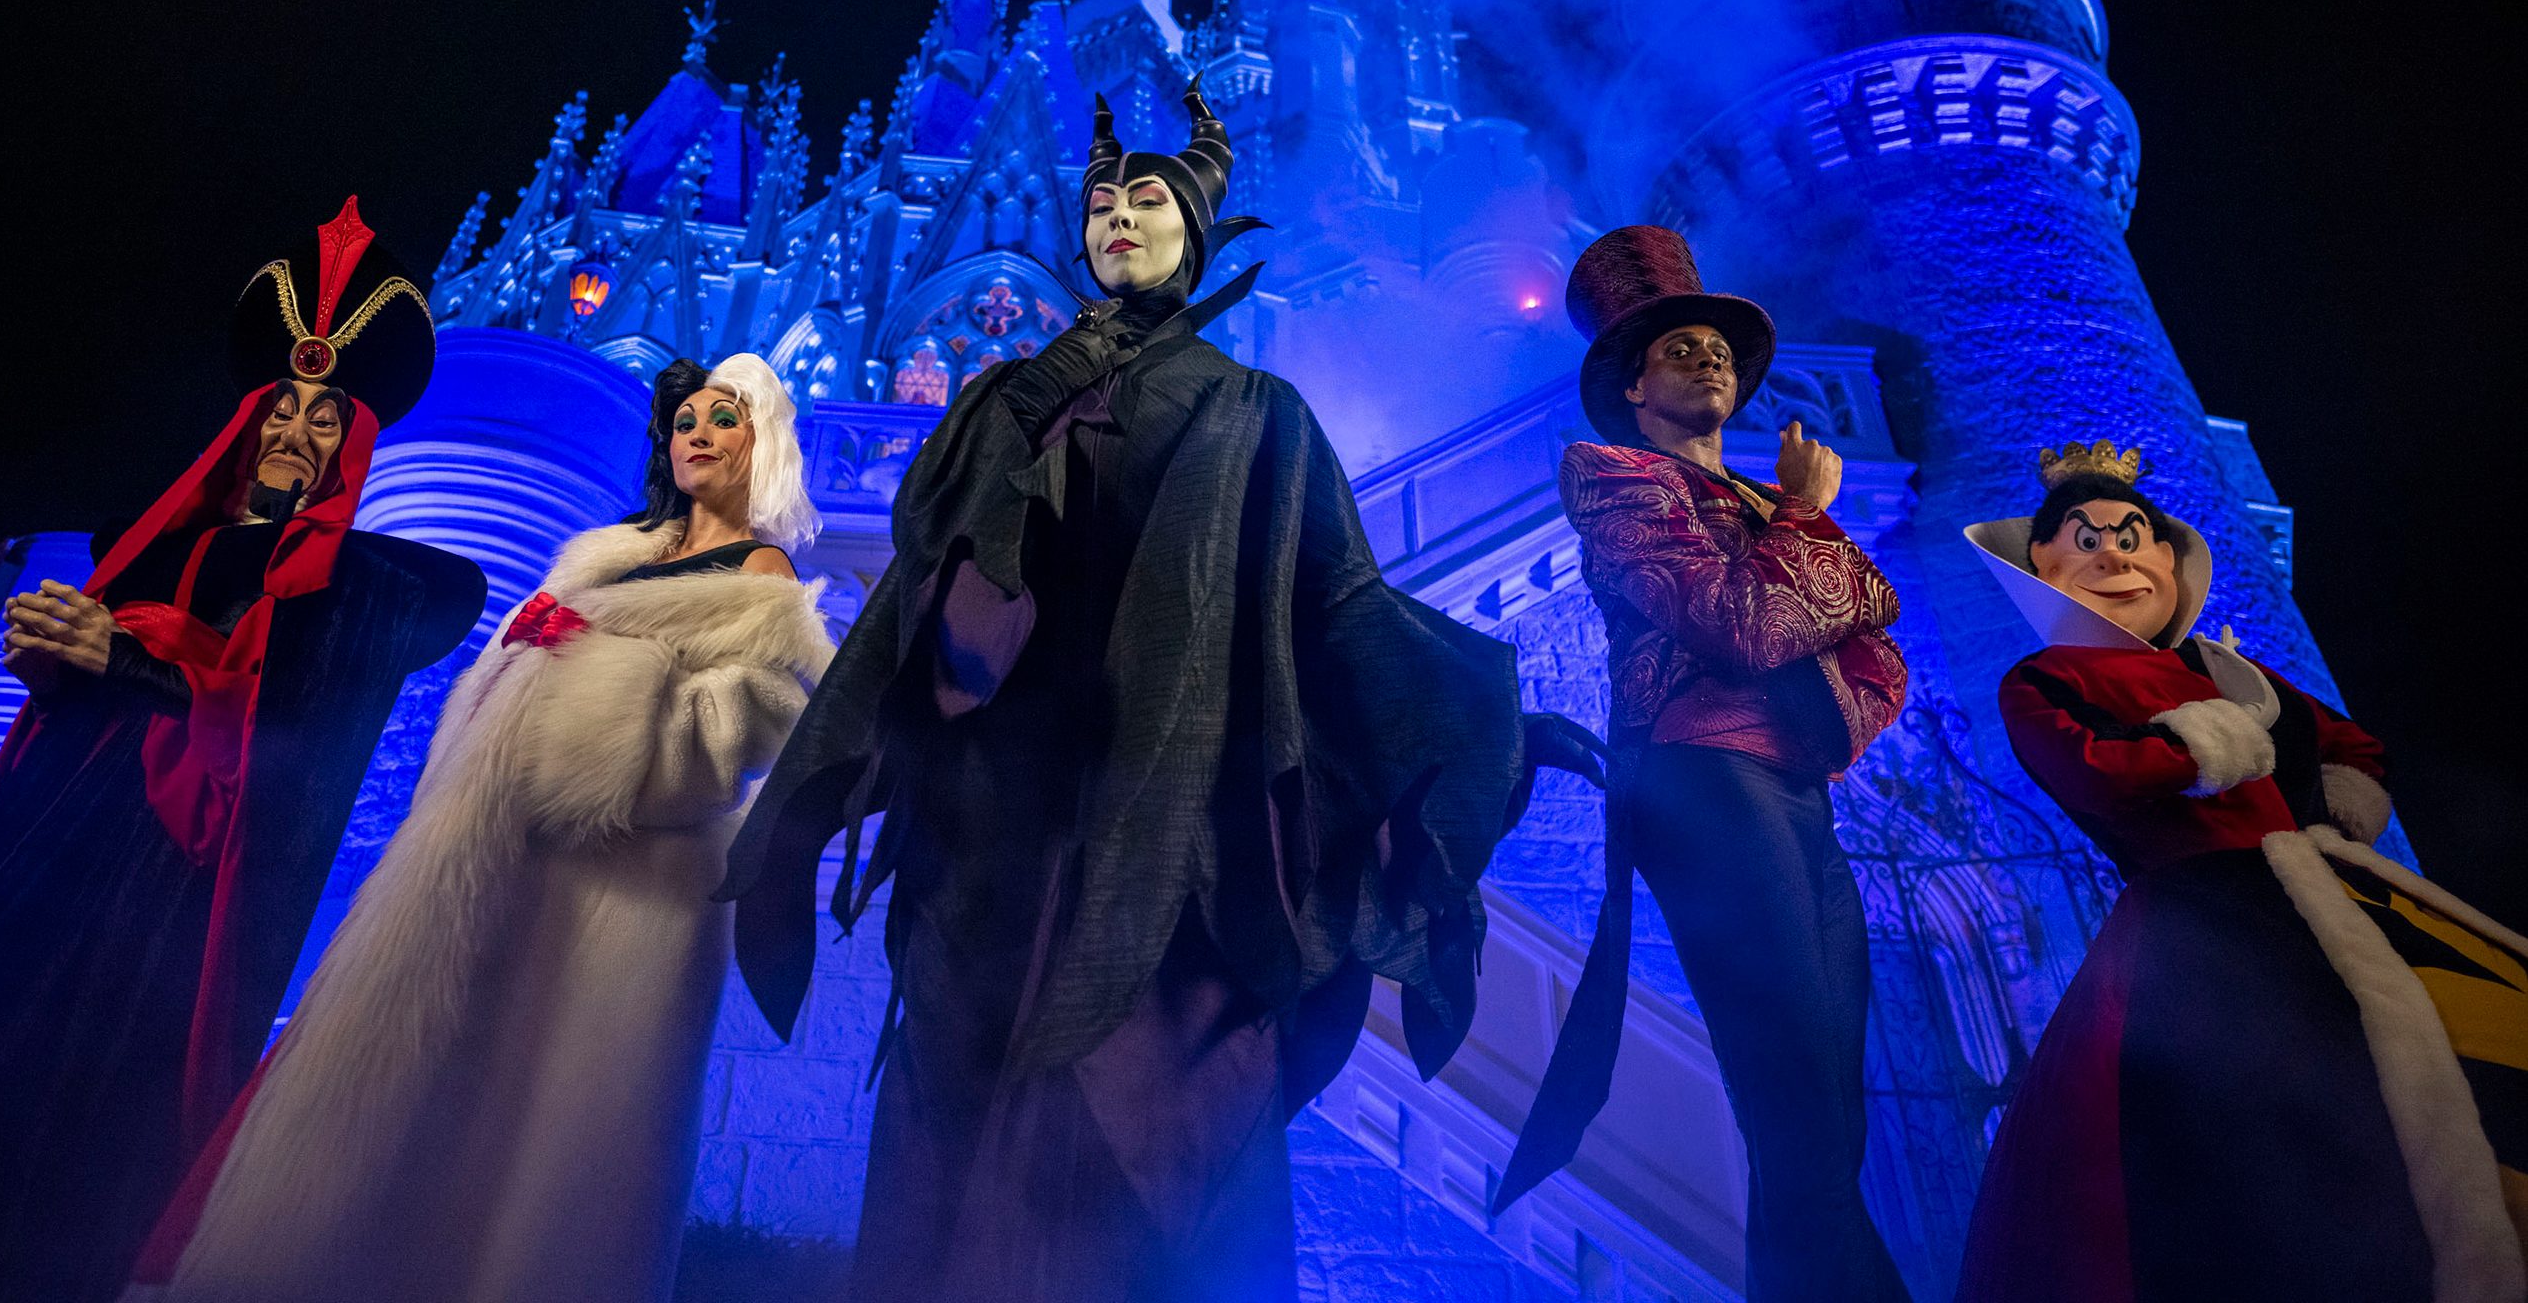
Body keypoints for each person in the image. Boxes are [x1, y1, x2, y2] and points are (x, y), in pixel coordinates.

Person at [718, 81, 1528, 1303]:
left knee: (1158, 1142)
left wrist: (1460, 735)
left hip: (1177, 828)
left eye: (1145, 200)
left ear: (1192, 234)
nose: (1116, 218)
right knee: (962, 1128)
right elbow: (929, 559)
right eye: (1100, 205)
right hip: (995, 826)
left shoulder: (1257, 411)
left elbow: (1338, 604)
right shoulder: (1007, 399)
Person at [0, 198, 486, 1303]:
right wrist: (53, 665)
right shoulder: (149, 543)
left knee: (58, 1121)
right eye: (283, 407)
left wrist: (127, 661)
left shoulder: (361, 592)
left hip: (157, 883)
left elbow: (291, 734)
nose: (296, 431)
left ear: (354, 446)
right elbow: (89, 683)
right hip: (47, 832)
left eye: (327, 419)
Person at [133, 352, 834, 1303]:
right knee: (433, 1112)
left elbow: (723, 744)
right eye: (685, 422)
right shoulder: (605, 556)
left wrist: (591, 680)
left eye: (724, 419)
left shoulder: (762, 576)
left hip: (616, 902)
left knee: (543, 1153)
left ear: (764, 443)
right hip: (498, 860)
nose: (698, 436)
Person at [1957, 442, 2527, 1303]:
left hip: (2330, 890)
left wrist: (2335, 816)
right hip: (2197, 925)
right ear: (2043, 561)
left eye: (2131, 536)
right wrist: (2202, 744)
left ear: (2167, 558)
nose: (2112, 556)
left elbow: (2350, 745)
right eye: (2085, 540)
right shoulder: (2045, 678)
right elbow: (2091, 771)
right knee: (2261, 1136)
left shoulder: (2230, 669)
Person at [1498, 223, 1912, 1303]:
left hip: (1798, 790)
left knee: (1829, 1115)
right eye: (1679, 349)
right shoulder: (1613, 479)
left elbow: (1880, 652)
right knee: (1796, 1099)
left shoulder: (1767, 510)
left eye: (1719, 349)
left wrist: (1795, 549)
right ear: (1634, 388)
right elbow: (1744, 623)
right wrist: (1810, 525)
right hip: (1704, 780)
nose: (1709, 360)